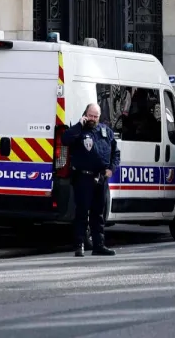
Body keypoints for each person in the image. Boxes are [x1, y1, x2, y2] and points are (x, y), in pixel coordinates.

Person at [62, 103, 118, 257]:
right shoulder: (78, 130)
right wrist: (79, 125)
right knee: (82, 212)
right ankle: (79, 245)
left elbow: (115, 152)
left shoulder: (105, 131)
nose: (92, 119)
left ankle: (99, 245)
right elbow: (65, 139)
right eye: (90, 115)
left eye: (95, 116)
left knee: (98, 214)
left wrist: (111, 168)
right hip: (83, 177)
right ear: (85, 114)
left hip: (101, 178)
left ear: (99, 117)